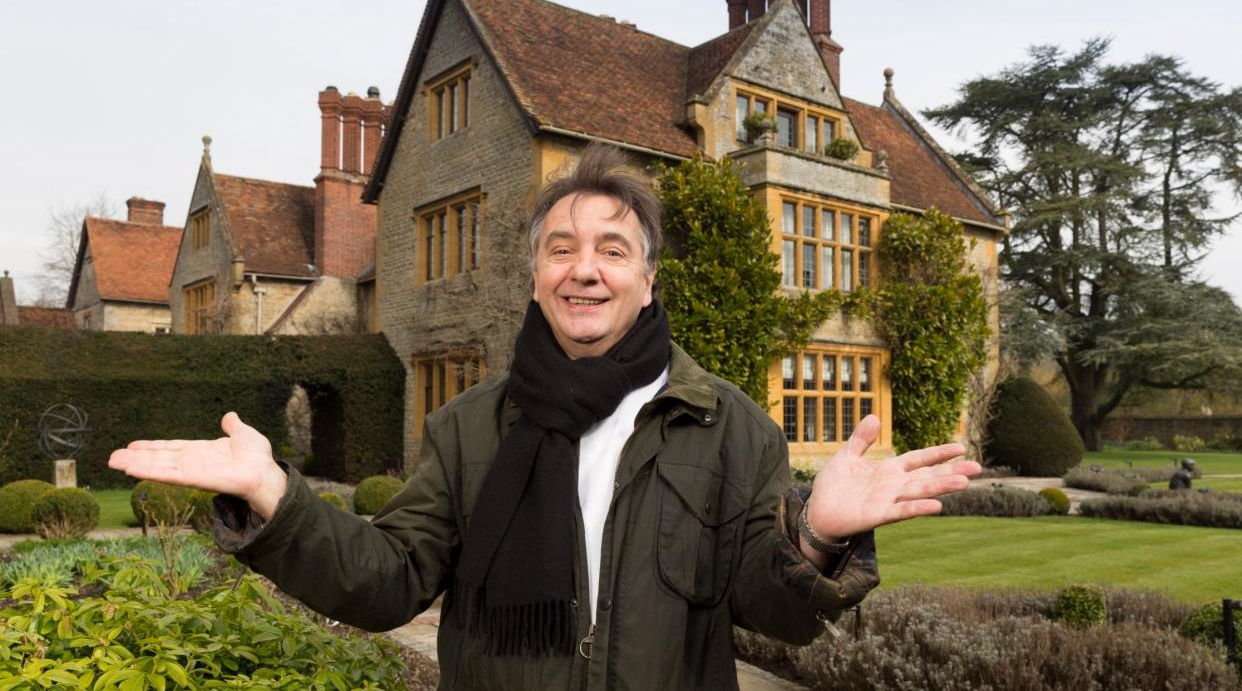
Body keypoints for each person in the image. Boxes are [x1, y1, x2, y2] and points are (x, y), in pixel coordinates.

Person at [110, 144, 981, 690]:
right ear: (535, 278)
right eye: (561, 249)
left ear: (649, 281)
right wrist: (276, 494)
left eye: (612, 248)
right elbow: (387, 580)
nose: (584, 269)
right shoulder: (470, 427)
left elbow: (773, 609)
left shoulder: (731, 427)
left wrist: (816, 535)